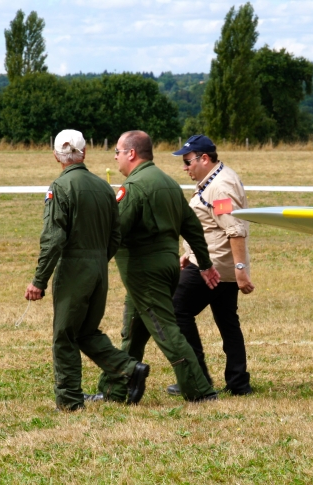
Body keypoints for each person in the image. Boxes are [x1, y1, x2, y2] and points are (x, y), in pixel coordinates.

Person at [91, 130, 221, 403]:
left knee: (165, 330)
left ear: (131, 153)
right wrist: (205, 264)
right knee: (133, 333)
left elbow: (116, 232)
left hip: (143, 272)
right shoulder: (169, 184)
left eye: (117, 151)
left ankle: (200, 390)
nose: (115, 157)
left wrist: (93, 265)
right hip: (167, 268)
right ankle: (115, 390)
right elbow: (192, 227)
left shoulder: (134, 187)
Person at [24, 129, 149, 411]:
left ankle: (68, 399)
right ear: (85, 153)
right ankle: (129, 368)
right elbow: (116, 235)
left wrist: (39, 280)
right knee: (86, 331)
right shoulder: (104, 188)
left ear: (56, 155)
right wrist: (98, 260)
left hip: (74, 268)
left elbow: (54, 239)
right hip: (98, 268)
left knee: (65, 335)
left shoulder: (60, 187)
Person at [167, 135, 254, 397]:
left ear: (205, 159)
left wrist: (240, 270)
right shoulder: (216, 179)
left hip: (213, 266)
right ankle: (238, 383)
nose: (185, 167)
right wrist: (190, 252)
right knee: (228, 322)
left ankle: (197, 378)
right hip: (218, 263)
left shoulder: (221, 187)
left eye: (187, 161)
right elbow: (211, 226)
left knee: (176, 311)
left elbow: (234, 230)